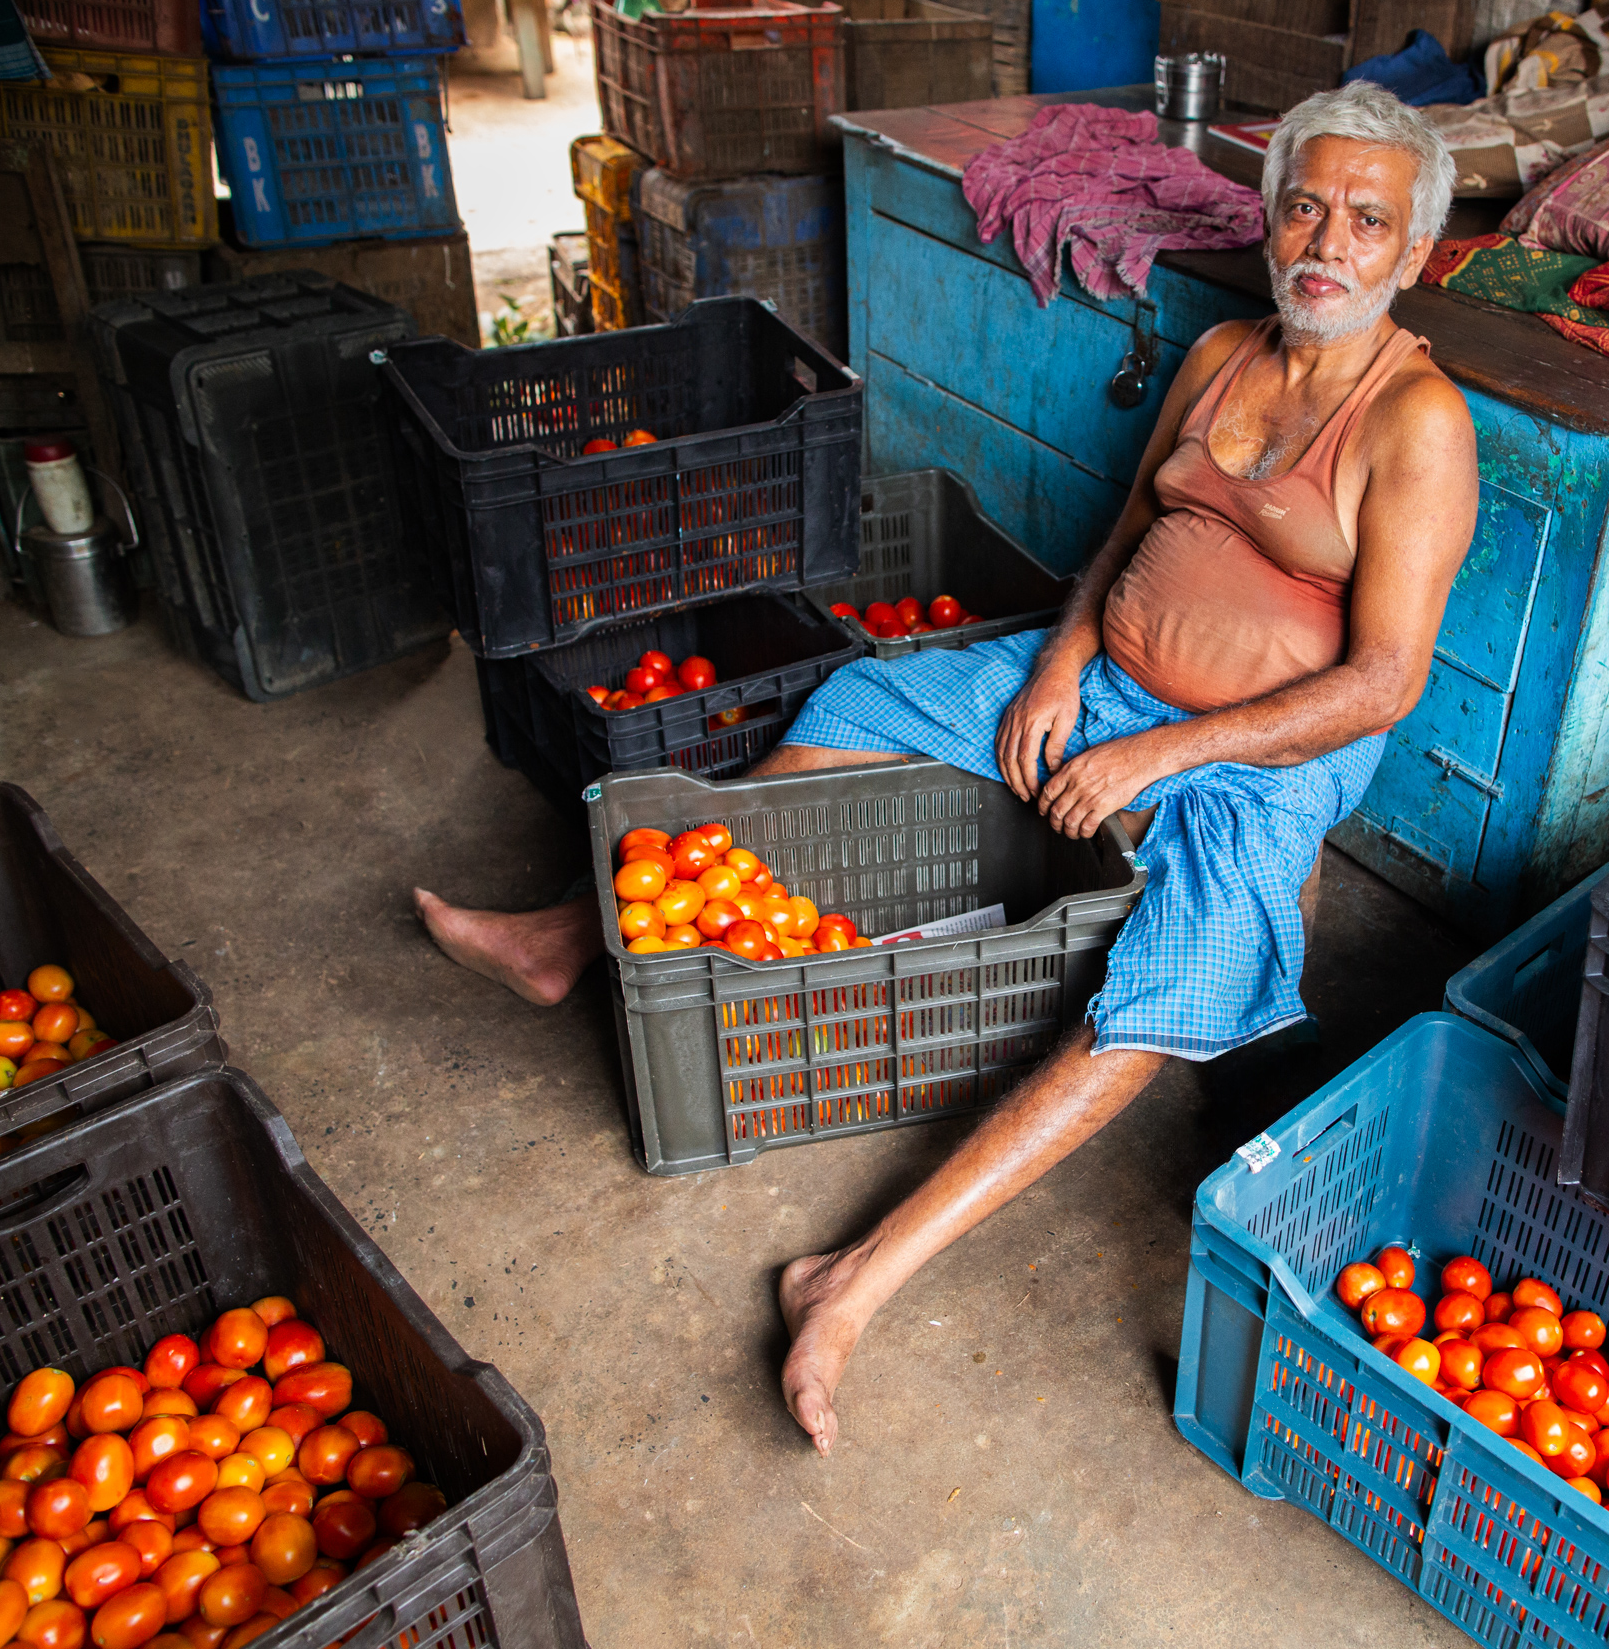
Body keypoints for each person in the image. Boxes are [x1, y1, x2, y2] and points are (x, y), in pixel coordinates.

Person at [416, 81, 1482, 1454]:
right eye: (1305, 206)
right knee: (859, 699)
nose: (1327, 241)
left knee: (1178, 988)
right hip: (1101, 684)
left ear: (1414, 250)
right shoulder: (1225, 352)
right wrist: (1061, 665)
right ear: (1270, 216)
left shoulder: (1417, 425)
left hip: (1256, 763)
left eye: (1367, 220)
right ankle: (575, 933)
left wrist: (1163, 749)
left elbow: (1381, 684)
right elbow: (1123, 535)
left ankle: (852, 1281)